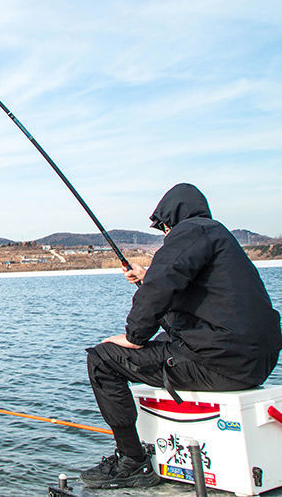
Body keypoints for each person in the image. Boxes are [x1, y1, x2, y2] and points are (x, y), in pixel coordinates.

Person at [81, 183, 282, 489]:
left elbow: (162, 287)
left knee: (102, 359)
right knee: (159, 344)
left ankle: (133, 461)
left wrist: (134, 337)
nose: (164, 235)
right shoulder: (220, 238)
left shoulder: (189, 232)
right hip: (251, 365)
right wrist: (149, 276)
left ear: (169, 220)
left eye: (163, 228)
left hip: (216, 363)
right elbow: (190, 288)